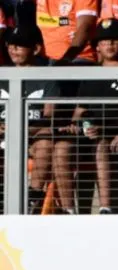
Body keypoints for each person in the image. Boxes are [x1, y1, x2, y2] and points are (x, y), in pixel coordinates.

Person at [53, 18, 118, 214]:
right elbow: (80, 109)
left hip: (113, 133)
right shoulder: (91, 72)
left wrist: (105, 128)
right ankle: (68, 211)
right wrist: (74, 124)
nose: (109, 45)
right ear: (97, 47)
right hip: (87, 131)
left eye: (114, 40)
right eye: (104, 41)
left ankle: (105, 208)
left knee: (101, 145)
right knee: (61, 147)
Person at [0, 25, 62, 215]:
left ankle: (31, 198)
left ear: (35, 49)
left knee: (45, 143)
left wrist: (21, 132)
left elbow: (49, 117)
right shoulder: (1, 75)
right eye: (11, 45)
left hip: (33, 136)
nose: (13, 50)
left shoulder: (48, 78)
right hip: (3, 136)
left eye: (20, 45)